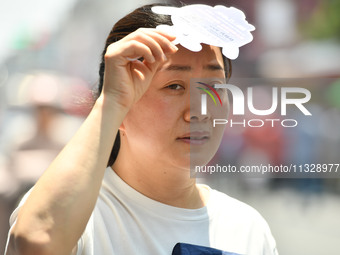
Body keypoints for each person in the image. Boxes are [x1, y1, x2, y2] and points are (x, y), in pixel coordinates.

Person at [5, 3, 278, 255]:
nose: (200, 110)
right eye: (174, 86)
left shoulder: (247, 228)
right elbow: (35, 241)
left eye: (214, 86)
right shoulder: (81, 215)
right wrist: (109, 104)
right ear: (122, 100)